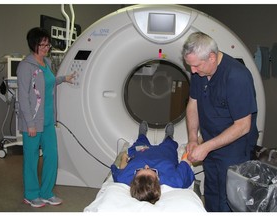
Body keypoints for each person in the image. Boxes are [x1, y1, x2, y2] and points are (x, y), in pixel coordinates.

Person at [182, 32, 258, 212]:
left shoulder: (236, 77)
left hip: (234, 150)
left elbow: (243, 126)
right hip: (210, 144)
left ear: (212, 57)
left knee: (228, 200)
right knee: (211, 194)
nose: (192, 71)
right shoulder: (199, 72)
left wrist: (206, 147)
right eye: (190, 65)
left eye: (196, 66)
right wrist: (193, 139)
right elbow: (193, 104)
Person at [17, 27, 75, 208]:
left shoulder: (47, 63)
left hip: (48, 120)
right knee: (31, 158)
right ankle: (31, 194)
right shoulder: (25, 66)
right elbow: (24, 97)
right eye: (41, 44)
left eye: (47, 44)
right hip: (32, 122)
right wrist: (30, 123)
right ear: (33, 45)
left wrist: (64, 78)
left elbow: (48, 82)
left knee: (52, 156)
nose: (45, 47)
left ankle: (46, 192)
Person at [110, 121, 195, 204]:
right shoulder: (175, 181)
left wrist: (124, 156)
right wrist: (194, 143)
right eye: (152, 170)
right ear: (158, 180)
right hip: (165, 153)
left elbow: (122, 168)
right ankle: (168, 137)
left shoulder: (123, 179)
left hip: (142, 151)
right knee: (169, 144)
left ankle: (142, 134)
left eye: (139, 170)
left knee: (140, 142)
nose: (146, 166)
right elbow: (186, 159)